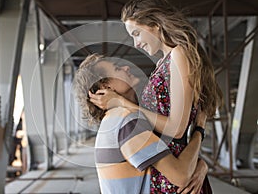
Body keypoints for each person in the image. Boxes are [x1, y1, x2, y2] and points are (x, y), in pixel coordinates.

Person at [88, 0, 222, 193]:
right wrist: (201, 162)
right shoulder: (163, 63)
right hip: (167, 170)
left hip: (174, 179)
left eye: (136, 33)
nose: (135, 43)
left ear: (155, 25)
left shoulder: (178, 55)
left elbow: (176, 129)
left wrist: (123, 103)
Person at [73, 54, 208, 194]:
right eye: (117, 69)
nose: (127, 67)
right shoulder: (125, 121)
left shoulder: (115, 120)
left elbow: (170, 160)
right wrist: (199, 129)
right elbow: (180, 176)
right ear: (106, 87)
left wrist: (201, 165)